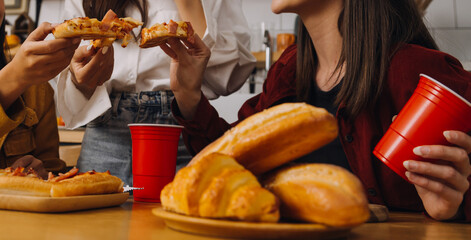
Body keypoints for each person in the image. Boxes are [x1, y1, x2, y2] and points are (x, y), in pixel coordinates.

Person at [161, 0, 471, 221]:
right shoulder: (289, 70)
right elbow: (232, 161)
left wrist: (455, 208)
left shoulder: (418, 72)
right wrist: (189, 95)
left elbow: (458, 185)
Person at [54, 0, 256, 186]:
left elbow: (229, 77)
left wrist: (190, 4)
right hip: (104, 130)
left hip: (181, 130)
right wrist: (79, 79)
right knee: (91, 223)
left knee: (180, 216)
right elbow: (64, 74)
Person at [0, 0, 79, 178]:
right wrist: (13, 79)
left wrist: (42, 174)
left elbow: (53, 170)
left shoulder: (36, 86)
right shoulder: (25, 74)